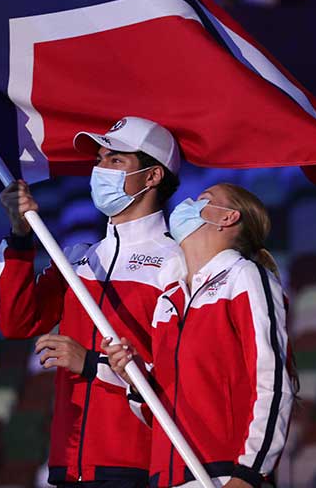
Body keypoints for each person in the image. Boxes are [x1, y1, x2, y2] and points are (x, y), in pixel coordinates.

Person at [0, 116, 184, 487]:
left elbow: (177, 376)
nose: (99, 169)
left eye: (115, 160)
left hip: (141, 466)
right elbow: (17, 321)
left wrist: (91, 364)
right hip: (69, 464)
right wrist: (20, 236)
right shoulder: (79, 257)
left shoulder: (178, 260)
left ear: (153, 176)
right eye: (99, 160)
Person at [103, 183, 295, 488]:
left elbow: (272, 380)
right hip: (167, 477)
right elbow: (158, 415)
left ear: (228, 218)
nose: (187, 204)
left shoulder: (245, 276)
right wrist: (137, 380)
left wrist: (249, 473)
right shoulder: (169, 300)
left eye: (202, 199)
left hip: (224, 475)